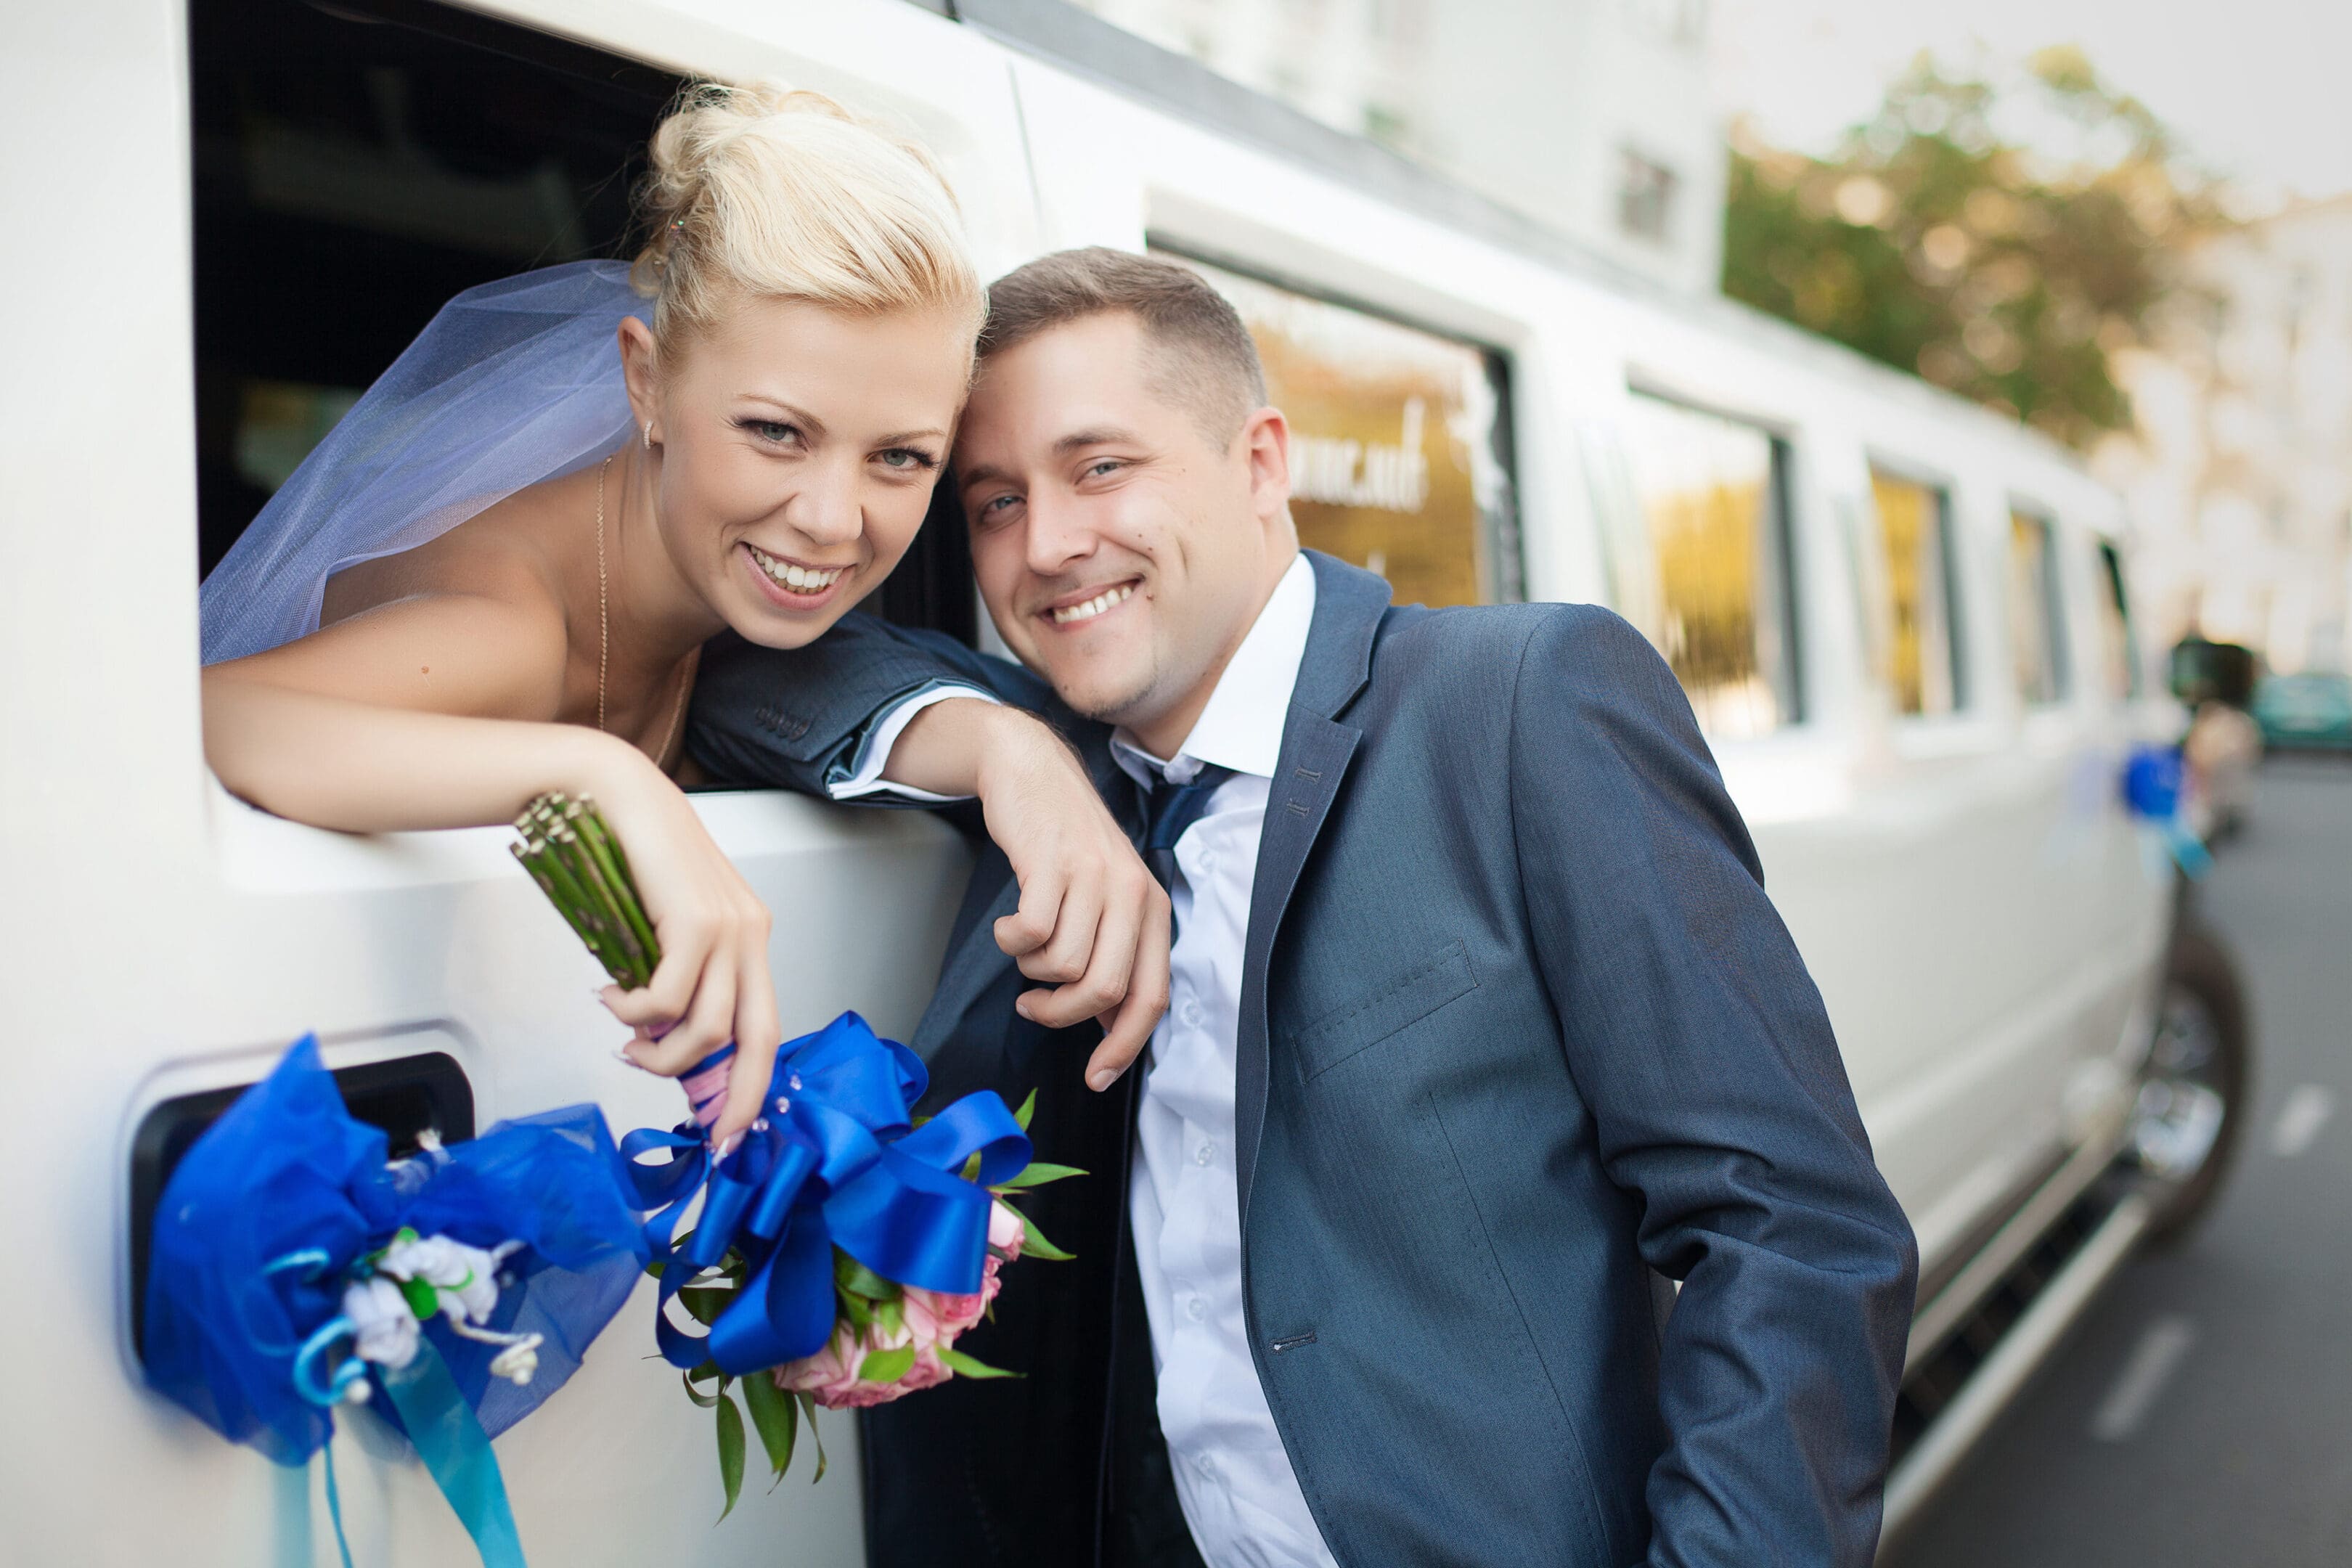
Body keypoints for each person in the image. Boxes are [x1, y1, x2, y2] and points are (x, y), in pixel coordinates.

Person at [689, 248, 1919, 1567]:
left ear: (1263, 461)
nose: (1045, 544)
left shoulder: (1512, 704)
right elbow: (735, 667)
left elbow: (1790, 1230)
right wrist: (1007, 754)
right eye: (993, 503)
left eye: (1101, 467)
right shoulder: (1043, 765)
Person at [197, 89, 1167, 1148]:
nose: (834, 521)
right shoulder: (508, 627)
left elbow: (831, 680)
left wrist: (1013, 751)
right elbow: (209, 718)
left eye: (901, 457)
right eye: (775, 432)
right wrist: (602, 777)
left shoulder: (711, 608)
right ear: (647, 383)